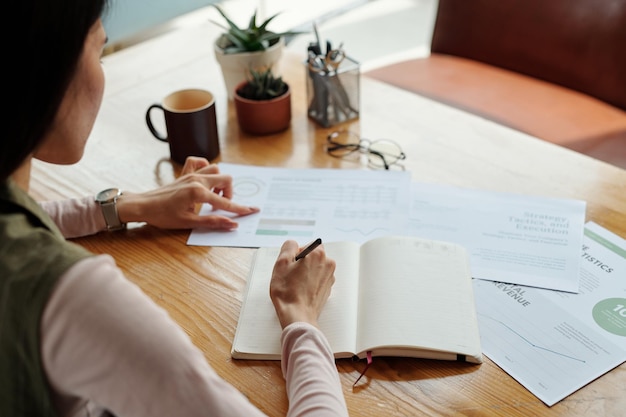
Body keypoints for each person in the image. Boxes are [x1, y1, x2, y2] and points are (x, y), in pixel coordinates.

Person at [0, 1, 349, 416]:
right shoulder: (75, 298)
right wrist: (300, 319)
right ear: (44, 72)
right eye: (99, 49)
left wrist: (127, 205)